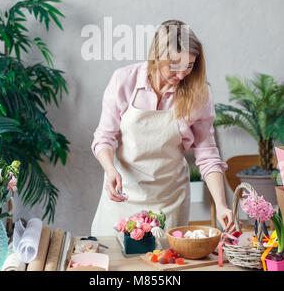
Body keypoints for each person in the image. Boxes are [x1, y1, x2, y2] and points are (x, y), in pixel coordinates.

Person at [91, 20, 234, 235]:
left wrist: (222, 205)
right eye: (174, 66)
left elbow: (207, 155)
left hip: (169, 201)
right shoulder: (124, 80)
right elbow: (104, 137)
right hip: (123, 196)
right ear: (157, 57)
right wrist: (110, 169)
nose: (182, 74)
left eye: (189, 66)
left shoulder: (199, 93)